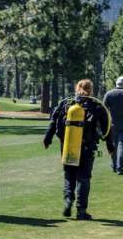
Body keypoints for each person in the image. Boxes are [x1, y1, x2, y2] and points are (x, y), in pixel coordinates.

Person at [44, 79, 113, 220]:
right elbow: (107, 128)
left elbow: (53, 121)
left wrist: (47, 139)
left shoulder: (66, 103)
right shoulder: (96, 106)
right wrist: (110, 146)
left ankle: (68, 199)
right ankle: (81, 210)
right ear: (91, 90)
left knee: (69, 175)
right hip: (87, 147)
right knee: (84, 178)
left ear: (77, 88)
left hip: (68, 145)